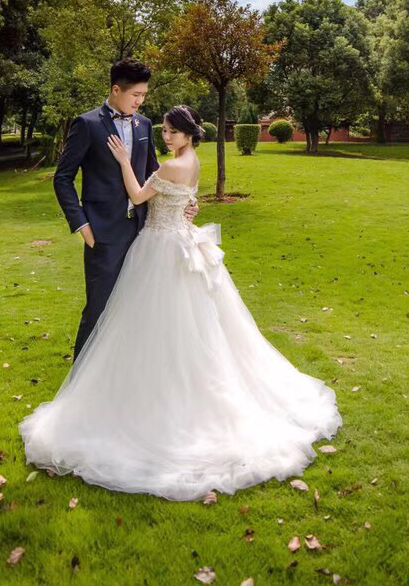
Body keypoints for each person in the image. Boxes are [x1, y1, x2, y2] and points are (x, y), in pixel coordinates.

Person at [20, 104, 342, 501]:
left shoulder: (172, 166)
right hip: (181, 240)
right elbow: (184, 198)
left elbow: (138, 194)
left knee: (158, 322)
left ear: (188, 134)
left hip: (161, 248)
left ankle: (160, 398)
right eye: (165, 130)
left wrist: (123, 161)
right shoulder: (192, 163)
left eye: (172, 132)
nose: (166, 137)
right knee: (188, 325)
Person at [52, 59, 197, 360]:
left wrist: (185, 204)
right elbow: (63, 178)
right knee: (99, 308)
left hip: (145, 234)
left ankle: (125, 372)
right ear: (116, 90)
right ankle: (81, 377)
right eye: (135, 95)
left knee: (138, 308)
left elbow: (155, 174)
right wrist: (82, 226)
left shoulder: (143, 125)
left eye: (144, 95)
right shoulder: (87, 125)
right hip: (103, 233)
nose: (140, 101)